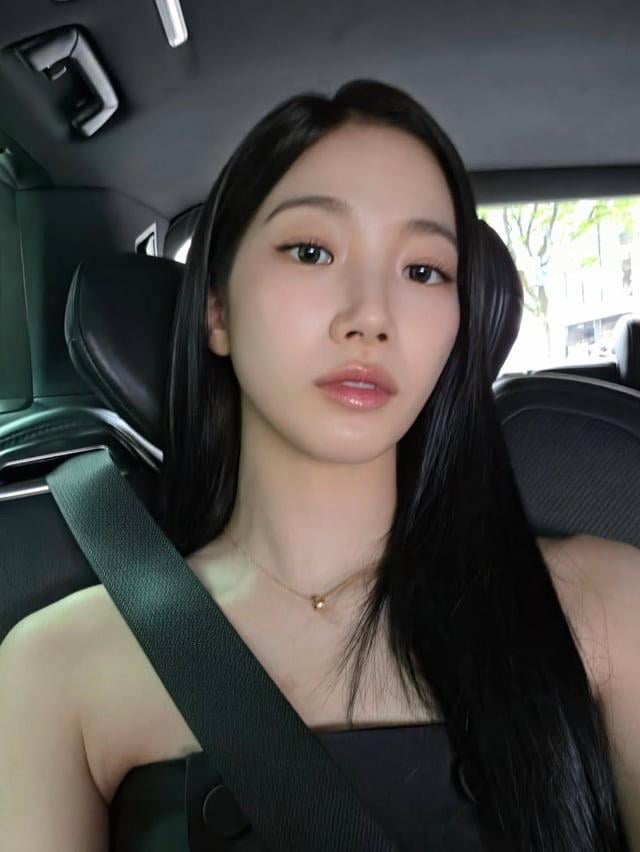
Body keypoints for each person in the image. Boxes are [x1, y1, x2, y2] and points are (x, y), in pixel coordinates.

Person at [2, 78, 639, 851]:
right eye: (311, 251)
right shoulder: (55, 669)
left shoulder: (610, 607)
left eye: (423, 271)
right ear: (217, 310)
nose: (371, 316)